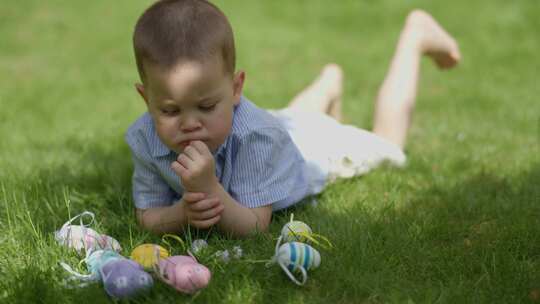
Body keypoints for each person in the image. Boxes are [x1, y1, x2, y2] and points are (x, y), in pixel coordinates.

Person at [126, 0, 461, 237]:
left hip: (312, 153)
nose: (189, 124)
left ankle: (414, 38)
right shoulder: (145, 136)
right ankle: (329, 84)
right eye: (170, 110)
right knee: (296, 119)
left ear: (236, 88)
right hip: (284, 125)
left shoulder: (257, 137)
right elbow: (148, 215)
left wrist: (208, 189)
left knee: (389, 146)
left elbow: (255, 225)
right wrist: (180, 215)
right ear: (147, 99)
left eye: (206, 106)